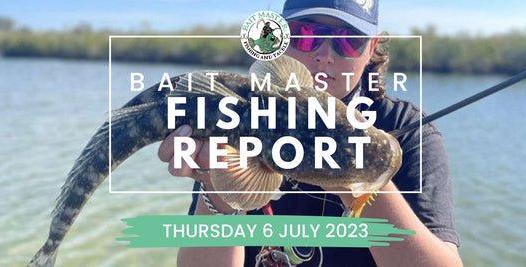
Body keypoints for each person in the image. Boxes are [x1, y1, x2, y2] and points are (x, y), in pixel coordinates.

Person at [158, 0, 463, 266]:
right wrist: (217, 189)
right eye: (306, 36)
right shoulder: (240, 113)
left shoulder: (407, 131)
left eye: (348, 40)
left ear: (371, 47)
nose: (325, 56)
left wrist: (360, 172)